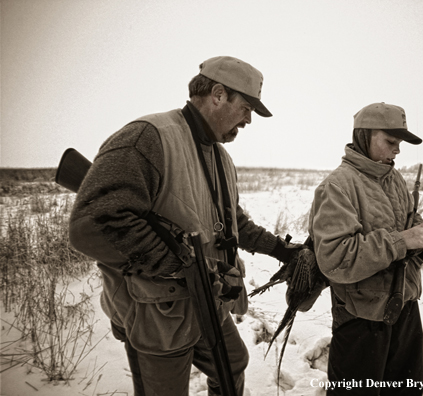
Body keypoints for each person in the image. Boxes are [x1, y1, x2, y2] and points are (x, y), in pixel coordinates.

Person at [69, 56, 301, 396]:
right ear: (218, 94)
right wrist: (183, 264)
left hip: (210, 303)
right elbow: (94, 223)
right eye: (247, 107)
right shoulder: (147, 137)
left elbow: (232, 223)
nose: (249, 119)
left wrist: (281, 249)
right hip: (159, 314)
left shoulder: (220, 157)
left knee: (233, 364)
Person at [309, 102, 423, 395]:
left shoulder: (393, 179)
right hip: (361, 318)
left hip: (405, 310)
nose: (397, 151)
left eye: (400, 144)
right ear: (363, 136)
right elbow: (335, 259)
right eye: (390, 142)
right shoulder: (338, 186)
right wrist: (402, 241)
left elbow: (408, 228)